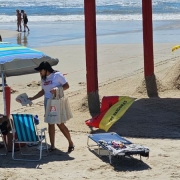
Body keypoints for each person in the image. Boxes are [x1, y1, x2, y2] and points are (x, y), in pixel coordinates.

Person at [28, 61, 74, 152]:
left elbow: (67, 86)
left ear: (45, 69)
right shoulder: (43, 78)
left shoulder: (57, 75)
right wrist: (32, 98)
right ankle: (52, 146)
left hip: (56, 101)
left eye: (40, 70)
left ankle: (70, 143)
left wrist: (57, 89)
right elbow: (43, 91)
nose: (39, 72)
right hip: (47, 102)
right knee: (50, 123)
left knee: (60, 123)